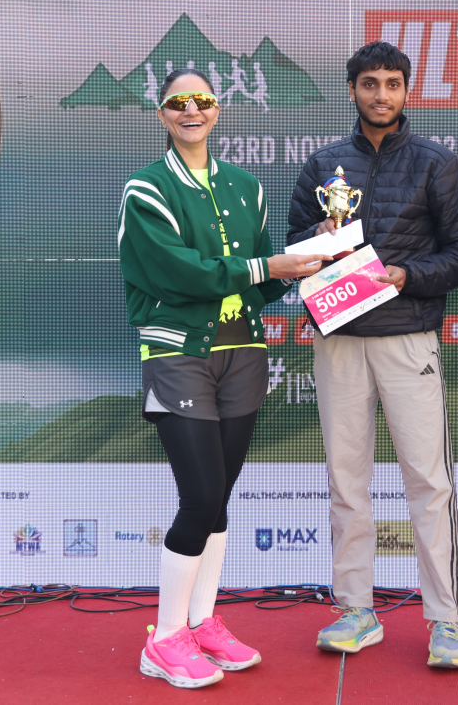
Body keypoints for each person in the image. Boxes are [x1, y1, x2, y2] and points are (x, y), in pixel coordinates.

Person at [120, 68, 330, 689]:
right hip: (178, 353)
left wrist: (311, 256)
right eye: (178, 102)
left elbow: (262, 283)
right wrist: (268, 265)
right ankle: (164, 638)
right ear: (162, 113)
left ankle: (202, 622)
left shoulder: (246, 187)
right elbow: (177, 273)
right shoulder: (147, 188)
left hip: (244, 353)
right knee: (201, 495)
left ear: (218, 109)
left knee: (219, 498)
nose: (192, 110)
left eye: (203, 100)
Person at [286, 40, 458, 669]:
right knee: (347, 480)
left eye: (392, 84)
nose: (381, 95)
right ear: (352, 90)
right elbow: (291, 247)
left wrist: (407, 276)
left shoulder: (435, 163)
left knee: (428, 480)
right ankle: (355, 611)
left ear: (406, 91)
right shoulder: (324, 165)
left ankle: (445, 621)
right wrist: (316, 237)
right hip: (338, 339)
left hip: (407, 337)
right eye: (369, 83)